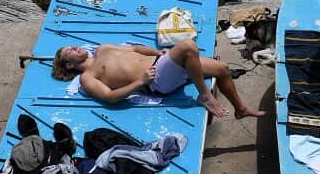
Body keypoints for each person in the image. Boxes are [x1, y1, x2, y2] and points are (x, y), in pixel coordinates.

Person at [51, 40, 265, 119]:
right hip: (156, 80)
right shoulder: (88, 78)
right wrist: (140, 82)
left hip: (160, 62)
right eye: (67, 51)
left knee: (223, 68)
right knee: (188, 46)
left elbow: (134, 48)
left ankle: (241, 109)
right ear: (69, 65)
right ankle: (205, 95)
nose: (72, 46)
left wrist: (155, 52)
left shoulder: (102, 48)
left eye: (69, 45)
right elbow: (109, 97)